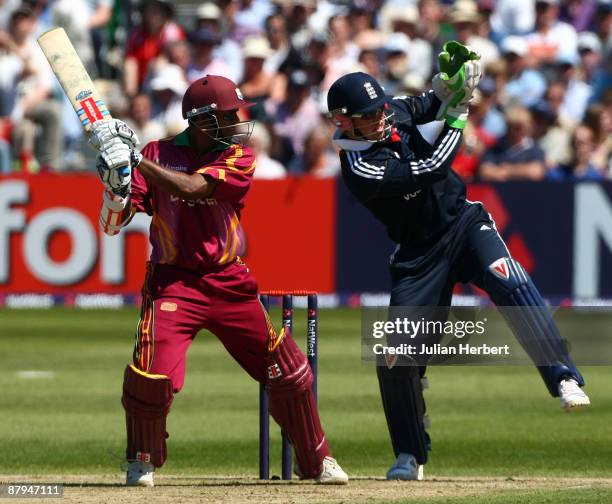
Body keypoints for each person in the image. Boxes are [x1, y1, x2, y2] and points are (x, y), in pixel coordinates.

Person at [325, 42, 590, 482]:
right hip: (418, 256)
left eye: (380, 110)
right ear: (343, 122)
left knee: (511, 281)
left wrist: (452, 82)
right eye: (369, 116)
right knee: (394, 356)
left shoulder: (389, 111)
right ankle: (410, 454)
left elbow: (430, 101)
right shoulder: (359, 166)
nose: (381, 118)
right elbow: (431, 166)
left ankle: (563, 376)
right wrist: (458, 113)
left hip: (463, 224)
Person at [89, 74, 348, 487]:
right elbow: (114, 223)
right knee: (150, 378)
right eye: (229, 115)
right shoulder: (158, 152)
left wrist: (136, 159)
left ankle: (316, 461)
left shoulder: (238, 156)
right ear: (202, 121)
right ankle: (141, 459)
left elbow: (193, 188)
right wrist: (116, 185)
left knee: (288, 368)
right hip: (173, 283)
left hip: (228, 280)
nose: (237, 122)